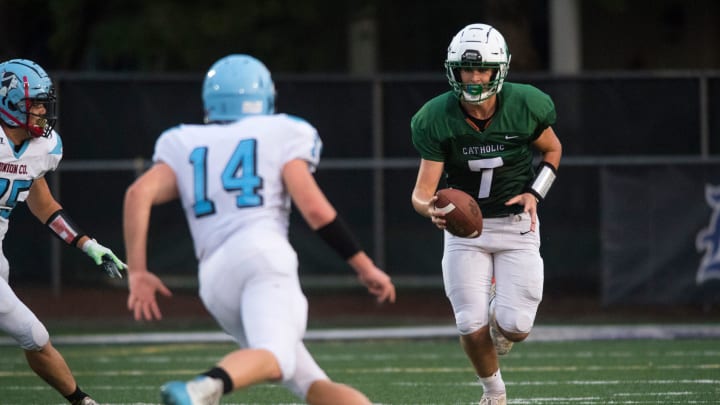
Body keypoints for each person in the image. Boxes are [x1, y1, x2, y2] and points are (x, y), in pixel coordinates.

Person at [123, 53, 396, 405]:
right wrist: (364, 266)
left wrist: (139, 272)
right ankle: (199, 390)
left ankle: (203, 389)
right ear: (265, 97)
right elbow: (313, 208)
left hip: (215, 280)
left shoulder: (185, 141)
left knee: (309, 381)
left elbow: (137, 193)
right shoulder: (282, 131)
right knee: (277, 358)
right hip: (262, 258)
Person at [410, 23, 562, 405]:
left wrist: (534, 192)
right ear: (453, 70)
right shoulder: (436, 117)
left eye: (483, 70)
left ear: (500, 71)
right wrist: (432, 210)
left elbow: (553, 151)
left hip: (516, 224)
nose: (474, 77)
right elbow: (421, 193)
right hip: (465, 231)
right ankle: (494, 394)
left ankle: (501, 320)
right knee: (468, 322)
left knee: (516, 326)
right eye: (466, 69)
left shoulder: (526, 104)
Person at [0, 59, 126, 405]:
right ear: (9, 101)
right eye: (35, 103)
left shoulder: (42, 148)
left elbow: (42, 203)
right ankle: (82, 401)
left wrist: (89, 246)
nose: (42, 111)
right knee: (34, 333)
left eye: (43, 102)